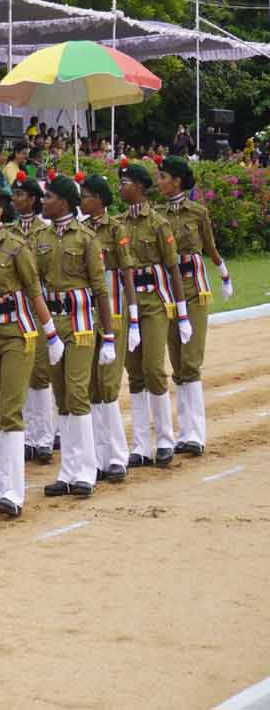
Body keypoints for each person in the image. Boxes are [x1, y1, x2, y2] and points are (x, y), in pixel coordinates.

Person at [0, 181, 61, 520]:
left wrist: (51, 335)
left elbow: (34, 292)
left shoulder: (17, 246)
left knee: (10, 410)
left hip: (17, 334)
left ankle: (13, 493)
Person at [31, 175, 114, 498]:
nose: (43, 202)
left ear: (64, 202)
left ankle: (86, 470)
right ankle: (68, 470)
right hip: (53, 324)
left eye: (48, 197)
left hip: (80, 322)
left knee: (77, 393)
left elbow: (101, 290)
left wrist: (108, 336)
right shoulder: (41, 237)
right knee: (62, 395)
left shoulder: (86, 238)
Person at [159, 156, 230, 457]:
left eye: (163, 176)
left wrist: (224, 274)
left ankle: (195, 433)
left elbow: (210, 247)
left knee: (190, 360)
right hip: (169, 290)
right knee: (176, 360)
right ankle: (182, 432)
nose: (158, 181)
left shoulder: (198, 212)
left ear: (177, 180)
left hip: (194, 287)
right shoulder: (157, 215)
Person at [118, 162, 185, 468]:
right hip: (127, 302)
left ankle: (166, 440)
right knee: (134, 372)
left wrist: (182, 313)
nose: (121, 186)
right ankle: (142, 444)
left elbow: (173, 269)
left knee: (153, 368)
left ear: (141, 188)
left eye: (126, 182)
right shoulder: (118, 224)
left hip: (155, 301)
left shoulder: (158, 223)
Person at [82, 172, 137, 482]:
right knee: (91, 386)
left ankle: (117, 456)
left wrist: (132, 313)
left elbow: (126, 272)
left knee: (108, 386)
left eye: (87, 195)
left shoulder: (116, 229)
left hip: (113, 313)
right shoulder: (81, 229)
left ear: (100, 200)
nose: (82, 199)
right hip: (87, 316)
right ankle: (99, 458)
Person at [10, 173, 56, 464]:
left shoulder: (45, 231)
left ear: (34, 200)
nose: (16, 200)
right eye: (14, 195)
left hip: (39, 306)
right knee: (21, 372)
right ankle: (27, 436)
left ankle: (44, 438)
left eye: (21, 195)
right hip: (16, 309)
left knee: (40, 374)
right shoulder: (10, 231)